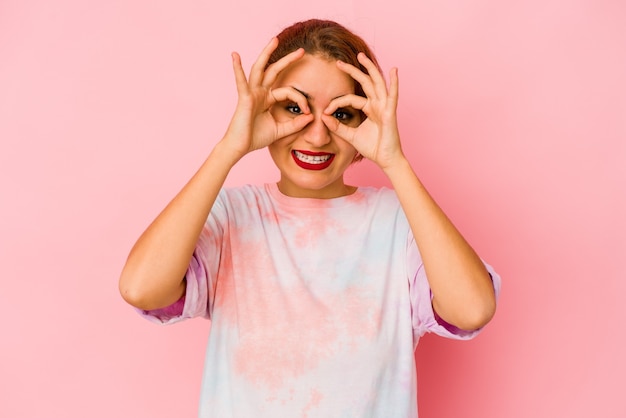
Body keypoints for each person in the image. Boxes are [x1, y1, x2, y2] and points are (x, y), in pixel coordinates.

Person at [119, 19, 500, 418]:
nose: (317, 136)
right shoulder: (231, 216)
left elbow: (471, 309)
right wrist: (230, 148)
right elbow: (141, 288)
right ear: (265, 109)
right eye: (294, 108)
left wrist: (394, 161)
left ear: (366, 122)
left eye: (343, 114)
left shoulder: (397, 223)